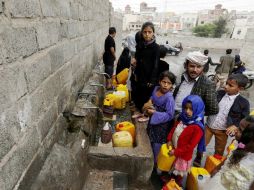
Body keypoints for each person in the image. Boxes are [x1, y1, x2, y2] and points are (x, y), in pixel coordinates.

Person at [173, 51, 219, 166]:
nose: (195, 70)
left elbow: (214, 108)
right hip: (177, 118)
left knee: (184, 148)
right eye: (192, 66)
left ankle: (178, 172)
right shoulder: (182, 77)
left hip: (190, 121)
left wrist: (195, 113)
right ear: (186, 65)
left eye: (199, 67)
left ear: (203, 67)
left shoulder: (207, 84)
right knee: (173, 142)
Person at [206, 73, 250, 157]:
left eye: (230, 85)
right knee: (201, 145)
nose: (226, 86)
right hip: (208, 126)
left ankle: (214, 166)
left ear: (240, 88)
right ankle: (198, 158)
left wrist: (236, 126)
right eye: (226, 83)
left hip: (223, 131)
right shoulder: (219, 93)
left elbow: (245, 119)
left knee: (219, 150)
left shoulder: (244, 103)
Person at [166, 95, 205, 187]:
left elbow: (190, 146)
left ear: (198, 109)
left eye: (191, 109)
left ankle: (176, 185)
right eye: (185, 108)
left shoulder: (197, 128)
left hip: (183, 155)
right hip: (174, 149)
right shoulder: (182, 118)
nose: (187, 111)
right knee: (172, 168)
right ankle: (170, 180)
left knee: (179, 173)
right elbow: (173, 129)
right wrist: (169, 140)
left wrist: (176, 151)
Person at [206, 118, 254, 190]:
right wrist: (212, 175)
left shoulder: (250, 163)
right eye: (238, 127)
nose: (235, 130)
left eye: (240, 130)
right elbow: (222, 165)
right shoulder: (238, 146)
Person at [144, 71, 176, 165]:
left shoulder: (169, 98)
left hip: (161, 126)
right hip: (153, 122)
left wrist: (154, 113)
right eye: (164, 82)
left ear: (172, 85)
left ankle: (155, 163)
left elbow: (170, 115)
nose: (165, 85)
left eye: (169, 83)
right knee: (150, 138)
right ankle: (148, 159)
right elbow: (152, 97)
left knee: (157, 144)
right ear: (159, 82)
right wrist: (150, 101)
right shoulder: (156, 89)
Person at [131, 22, 160, 119]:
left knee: (147, 96)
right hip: (140, 74)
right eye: (145, 32)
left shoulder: (156, 48)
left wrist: (152, 80)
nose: (147, 34)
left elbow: (156, 65)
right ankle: (140, 111)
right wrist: (135, 70)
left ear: (153, 33)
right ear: (142, 33)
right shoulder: (140, 45)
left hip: (149, 76)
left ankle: (146, 114)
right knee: (139, 93)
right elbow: (137, 59)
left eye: (149, 32)